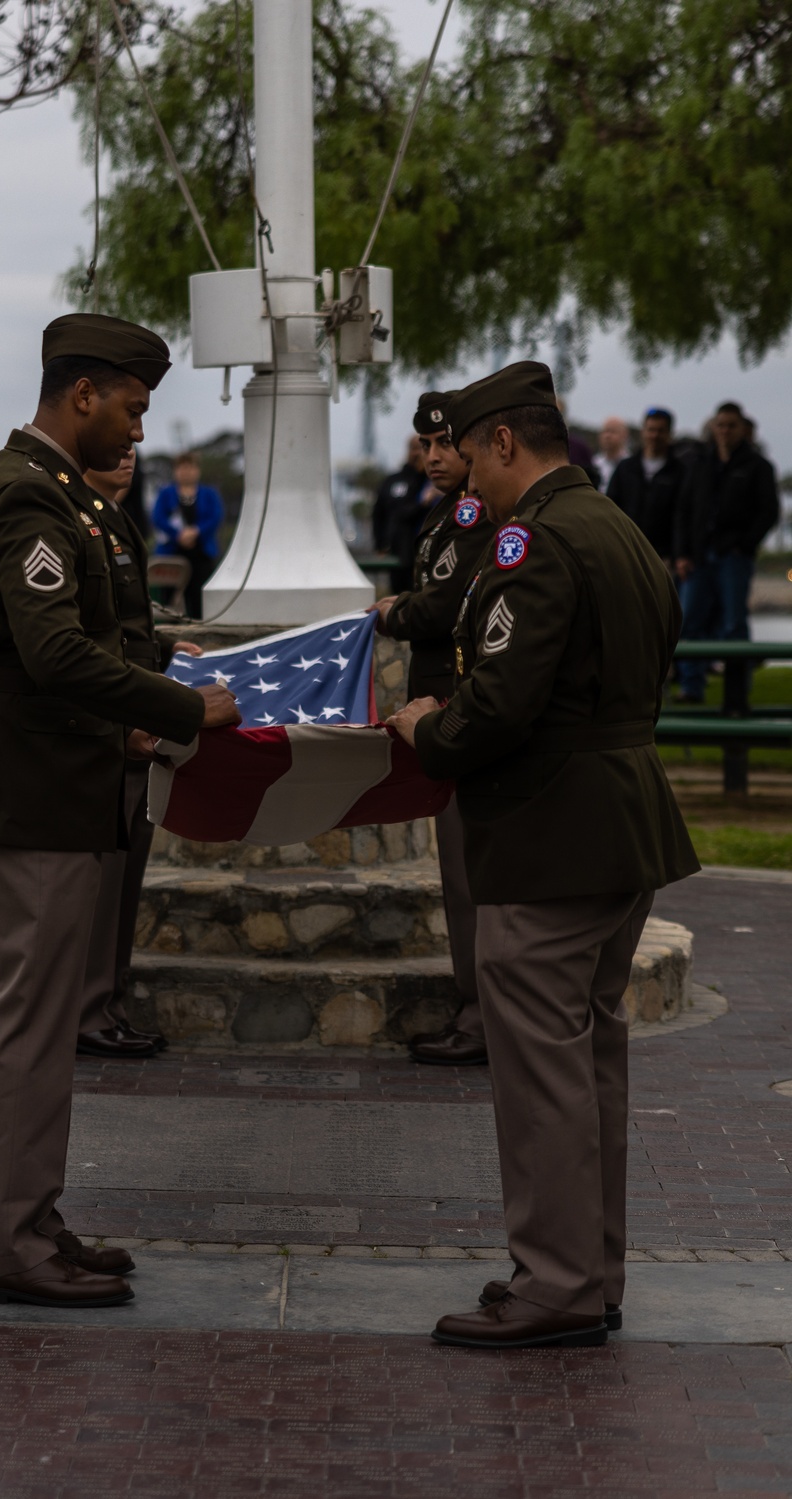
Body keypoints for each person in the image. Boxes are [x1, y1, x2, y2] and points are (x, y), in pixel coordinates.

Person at [0, 312, 241, 1309]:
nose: (139, 430)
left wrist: (172, 670)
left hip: (62, 776)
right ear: (83, 394)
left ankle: (30, 1216)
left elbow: (103, 636)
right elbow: (56, 653)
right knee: (30, 1017)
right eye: (133, 408)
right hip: (32, 784)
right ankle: (4, 1244)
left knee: (50, 1013)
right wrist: (180, 706)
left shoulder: (64, 495)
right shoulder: (28, 497)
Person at [389, 361, 698, 1351]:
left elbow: (503, 703)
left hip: (551, 831)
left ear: (504, 442)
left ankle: (556, 1282)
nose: (465, 479)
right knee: (589, 1060)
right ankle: (587, 1269)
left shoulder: (533, 542)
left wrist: (426, 729)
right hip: (621, 821)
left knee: (541, 1076)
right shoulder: (618, 528)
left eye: (471, 454)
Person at [369, 390, 493, 1067]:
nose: (436, 457)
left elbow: (444, 605)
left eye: (447, 444)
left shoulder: (473, 514)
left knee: (469, 874)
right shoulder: (451, 511)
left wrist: (392, 613)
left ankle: (479, 1015)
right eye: (427, 446)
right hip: (446, 704)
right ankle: (474, 1006)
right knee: (460, 872)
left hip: (456, 704)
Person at [76, 447, 204, 1061]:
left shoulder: (118, 519)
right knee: (101, 886)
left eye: (134, 449)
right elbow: (78, 641)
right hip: (107, 731)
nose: (128, 452)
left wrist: (167, 641)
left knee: (124, 885)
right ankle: (88, 1009)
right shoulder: (76, 518)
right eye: (118, 441)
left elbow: (125, 628)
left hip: (135, 727)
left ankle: (108, 1003)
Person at [673, 401, 780, 704]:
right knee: (690, 620)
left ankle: (735, 696)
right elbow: (683, 510)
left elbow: (768, 511)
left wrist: (745, 545)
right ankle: (692, 688)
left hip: (732, 557)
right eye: (720, 425)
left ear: (742, 429)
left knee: (734, 625)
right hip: (699, 556)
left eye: (731, 426)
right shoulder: (700, 465)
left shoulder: (757, 467)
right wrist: (683, 553)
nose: (724, 431)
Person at [606, 408, 686, 564]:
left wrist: (677, 554)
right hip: (627, 551)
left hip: (662, 555)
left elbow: (681, 514)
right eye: (651, 430)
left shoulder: (679, 472)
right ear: (643, 431)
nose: (655, 436)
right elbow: (610, 507)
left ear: (670, 434)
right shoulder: (626, 468)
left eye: (660, 431)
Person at [152, 451, 224, 618]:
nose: (186, 472)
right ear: (175, 470)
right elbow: (158, 517)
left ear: (197, 470)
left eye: (190, 467)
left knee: (198, 597)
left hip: (201, 553)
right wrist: (179, 534)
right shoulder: (165, 493)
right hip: (172, 554)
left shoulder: (209, 494)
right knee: (167, 599)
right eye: (182, 468)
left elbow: (215, 516)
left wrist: (196, 531)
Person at [371, 435, 426, 593]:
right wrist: (380, 545)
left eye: (423, 448)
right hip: (400, 556)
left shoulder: (435, 481)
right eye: (414, 448)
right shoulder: (393, 481)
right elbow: (380, 514)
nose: (418, 454)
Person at [593, 416, 630, 491]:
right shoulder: (594, 463)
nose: (607, 436)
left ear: (624, 435)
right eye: (605, 431)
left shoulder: (631, 465)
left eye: (612, 432)